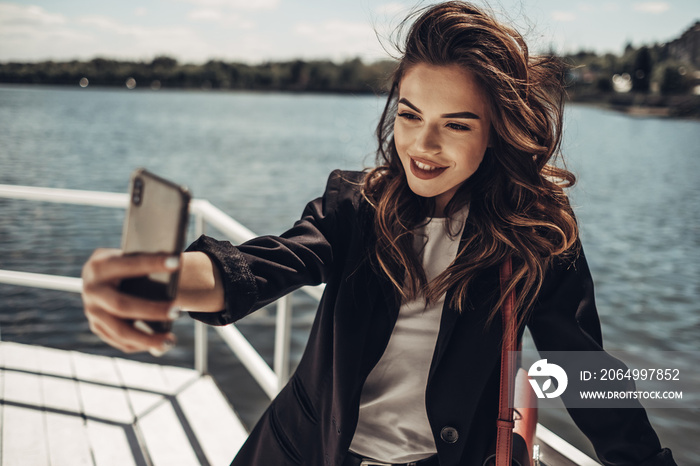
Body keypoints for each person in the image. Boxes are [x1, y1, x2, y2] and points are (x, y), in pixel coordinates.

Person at [81, 2, 677, 465]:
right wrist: (163, 281)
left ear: (496, 130)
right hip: (306, 454)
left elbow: (582, 368)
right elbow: (262, 266)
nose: (422, 145)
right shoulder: (357, 205)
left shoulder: (538, 238)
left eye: (456, 125)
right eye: (411, 115)